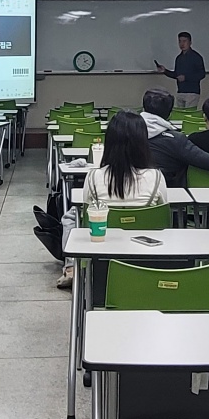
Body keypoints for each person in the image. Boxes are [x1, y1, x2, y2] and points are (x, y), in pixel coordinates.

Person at [58, 111, 168, 289]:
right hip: (146, 253)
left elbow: (87, 210)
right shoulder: (156, 177)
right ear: (143, 142)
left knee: (72, 216)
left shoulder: (93, 177)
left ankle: (71, 267)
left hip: (101, 253)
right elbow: (163, 215)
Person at [141, 89, 209, 188]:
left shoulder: (130, 131)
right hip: (164, 191)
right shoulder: (177, 140)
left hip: (132, 190)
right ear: (170, 115)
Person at [155, 31, 207, 109]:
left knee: (189, 114)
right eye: (180, 41)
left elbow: (202, 74)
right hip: (180, 92)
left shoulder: (196, 57)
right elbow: (176, 75)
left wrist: (186, 77)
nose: (182, 44)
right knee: (180, 114)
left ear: (190, 42)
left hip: (192, 92)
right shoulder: (179, 58)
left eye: (184, 41)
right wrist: (165, 71)